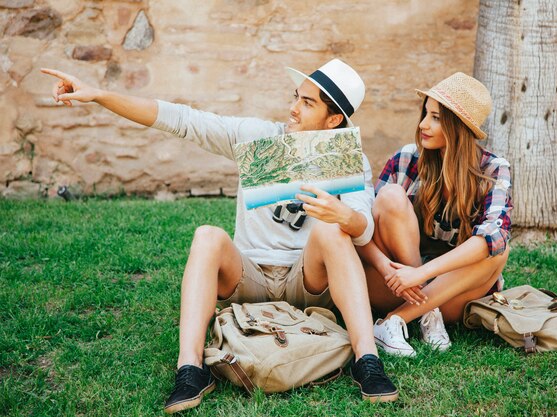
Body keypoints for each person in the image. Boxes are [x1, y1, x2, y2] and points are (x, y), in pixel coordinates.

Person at [41, 59, 399, 413]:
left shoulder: (349, 157)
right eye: (296, 97)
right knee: (207, 235)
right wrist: (100, 95)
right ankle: (191, 369)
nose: (293, 109)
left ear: (333, 119)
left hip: (306, 278)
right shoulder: (258, 137)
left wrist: (343, 215)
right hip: (248, 276)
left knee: (333, 231)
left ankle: (367, 361)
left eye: (307, 104)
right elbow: (181, 120)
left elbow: (364, 226)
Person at [358, 72, 512, 356]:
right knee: (390, 196)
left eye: (436, 118)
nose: (423, 125)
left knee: (497, 249)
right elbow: (364, 230)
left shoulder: (493, 169)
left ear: (459, 127)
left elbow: (495, 236)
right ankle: (427, 315)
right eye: (425, 114)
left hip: (452, 291)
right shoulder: (406, 159)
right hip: (395, 284)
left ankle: (397, 320)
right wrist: (404, 274)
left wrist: (420, 275)